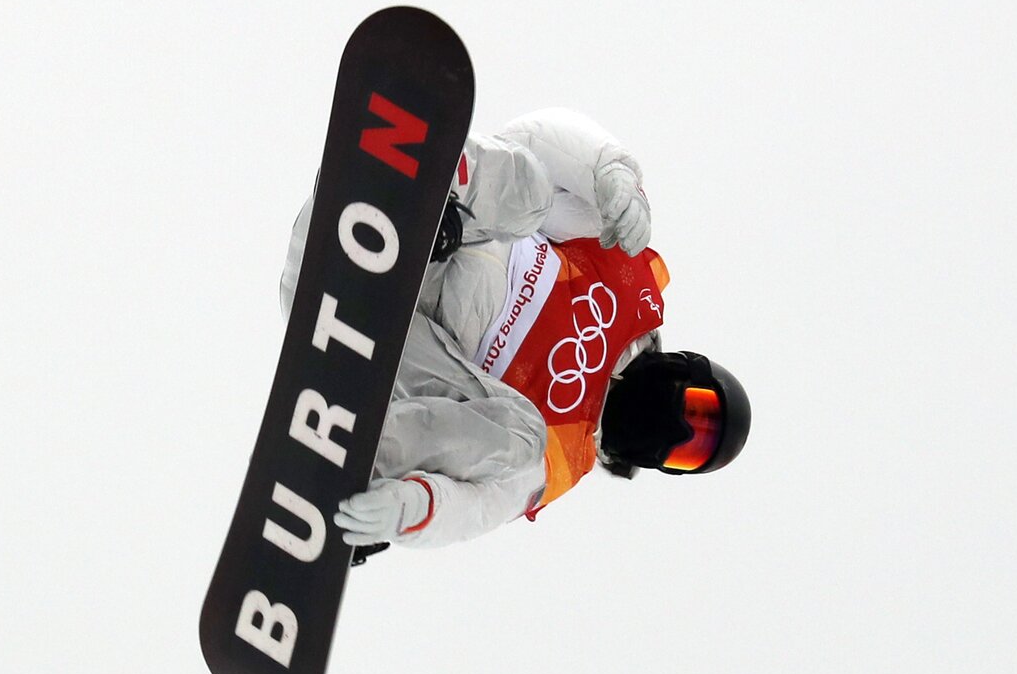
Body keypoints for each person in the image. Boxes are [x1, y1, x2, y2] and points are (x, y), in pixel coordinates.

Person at [278, 108, 751, 554]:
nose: (677, 430)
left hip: (394, 338)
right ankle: (419, 176)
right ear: (685, 370)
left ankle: (355, 460)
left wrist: (408, 511)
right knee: (533, 190)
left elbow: (478, 507)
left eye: (690, 450)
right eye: (697, 411)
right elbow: (535, 138)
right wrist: (614, 173)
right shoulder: (627, 277)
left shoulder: (566, 453)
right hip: (439, 234)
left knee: (525, 441)